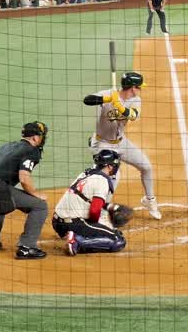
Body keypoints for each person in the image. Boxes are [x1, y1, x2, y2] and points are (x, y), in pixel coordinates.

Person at [83, 71, 161, 219]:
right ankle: (101, 211)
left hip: (121, 142)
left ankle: (149, 200)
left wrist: (117, 104)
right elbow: (87, 100)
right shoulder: (108, 94)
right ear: (132, 87)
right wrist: (105, 99)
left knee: (146, 166)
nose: (140, 90)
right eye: (139, 87)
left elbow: (132, 115)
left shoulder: (135, 100)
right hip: (102, 144)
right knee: (114, 176)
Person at [0, 121, 50, 259]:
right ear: (35, 137)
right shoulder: (32, 151)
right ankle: (27, 247)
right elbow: (24, 178)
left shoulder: (7, 146)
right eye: (42, 136)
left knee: (0, 199)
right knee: (40, 206)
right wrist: (36, 194)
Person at [51, 149, 128, 256]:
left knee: (110, 232)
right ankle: (77, 241)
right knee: (117, 240)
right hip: (73, 224)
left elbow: (87, 199)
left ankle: (74, 236)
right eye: (115, 164)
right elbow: (94, 211)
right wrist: (99, 225)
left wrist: (109, 207)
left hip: (57, 222)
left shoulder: (86, 173)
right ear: (109, 166)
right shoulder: (102, 181)